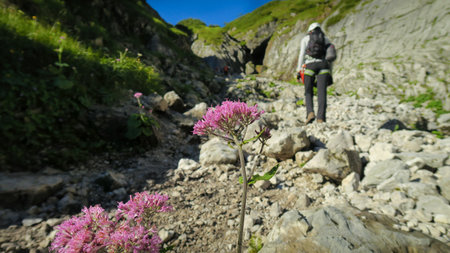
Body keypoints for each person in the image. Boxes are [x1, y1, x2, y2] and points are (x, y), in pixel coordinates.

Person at [296, 22, 334, 124]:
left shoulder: (305, 39)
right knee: (322, 93)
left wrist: (298, 71)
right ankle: (321, 118)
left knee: (308, 91)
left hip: (309, 66)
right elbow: (330, 56)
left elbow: (302, 55)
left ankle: (310, 113)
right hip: (324, 66)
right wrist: (330, 72)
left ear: (310, 31)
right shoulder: (325, 39)